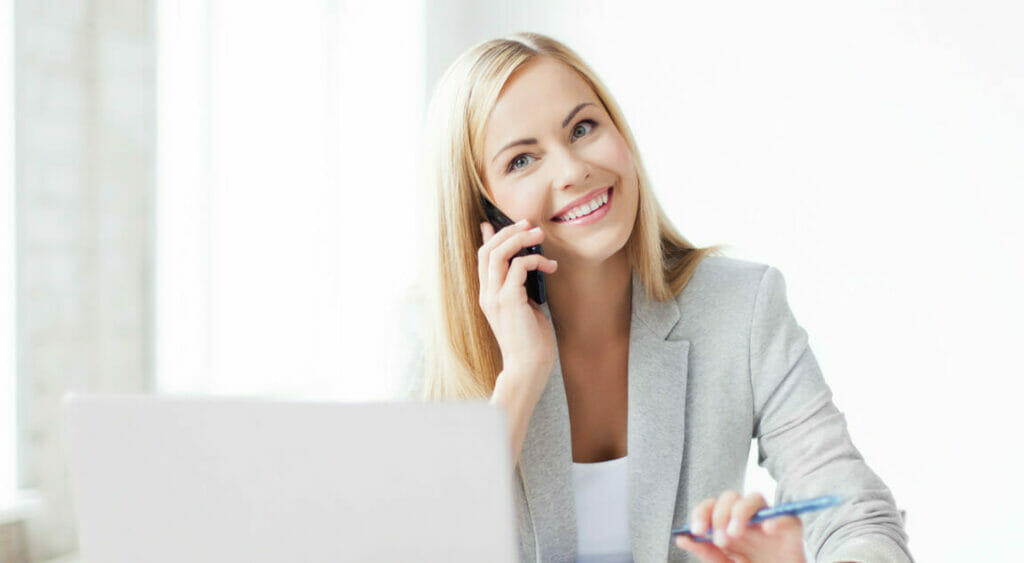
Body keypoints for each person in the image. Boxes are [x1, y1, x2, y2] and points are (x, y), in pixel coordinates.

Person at [399, 32, 912, 562]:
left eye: (582, 128)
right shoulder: (431, 341)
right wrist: (520, 377)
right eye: (522, 161)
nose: (574, 170)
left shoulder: (742, 307)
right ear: (482, 212)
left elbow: (859, 517)